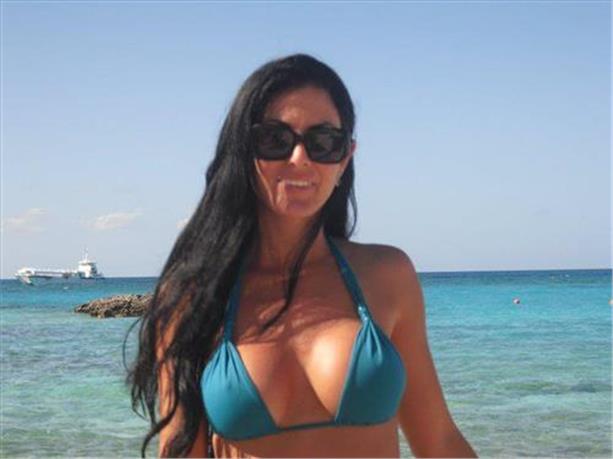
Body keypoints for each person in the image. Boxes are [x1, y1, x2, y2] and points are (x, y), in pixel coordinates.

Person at [127, 53, 477, 458]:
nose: (299, 159)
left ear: (345, 157)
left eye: (323, 142)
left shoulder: (387, 275)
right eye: (275, 140)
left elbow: (439, 441)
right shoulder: (194, 296)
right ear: (243, 150)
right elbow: (179, 450)